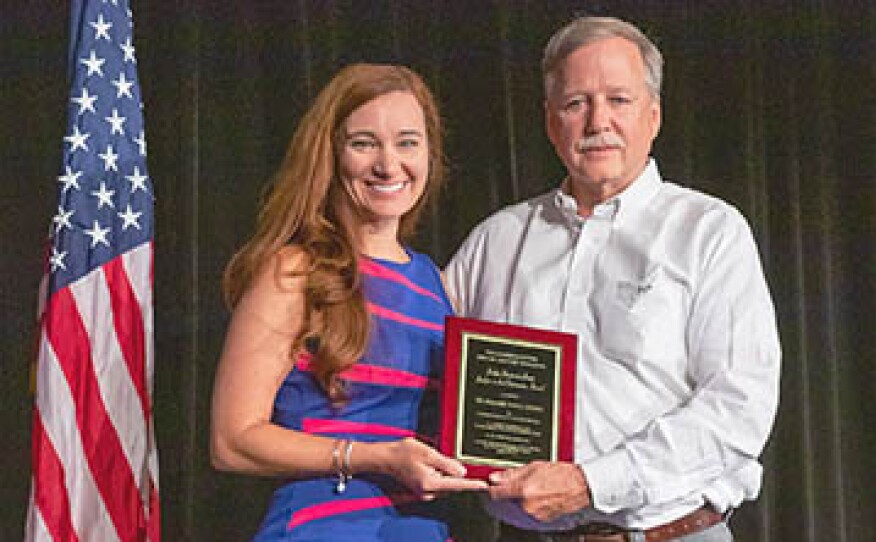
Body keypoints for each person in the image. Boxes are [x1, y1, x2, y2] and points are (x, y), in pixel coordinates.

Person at [445, 16, 781, 542]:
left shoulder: (708, 231)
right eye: (576, 103)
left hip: (673, 533)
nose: (598, 120)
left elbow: (738, 409)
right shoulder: (495, 242)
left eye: (619, 100)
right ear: (550, 121)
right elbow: (418, 368)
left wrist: (590, 483)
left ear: (654, 115)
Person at [210, 63, 485, 541]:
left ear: (430, 155)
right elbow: (232, 441)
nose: (388, 164)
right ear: (330, 155)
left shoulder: (437, 285)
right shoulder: (294, 272)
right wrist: (375, 456)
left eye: (407, 142)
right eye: (363, 143)